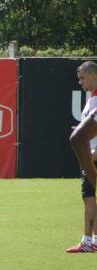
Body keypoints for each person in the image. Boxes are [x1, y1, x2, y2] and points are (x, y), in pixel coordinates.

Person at [67, 61, 97, 253]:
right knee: (89, 197)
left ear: (93, 76)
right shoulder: (91, 99)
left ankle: (88, 241)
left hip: (93, 157)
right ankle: (91, 240)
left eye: (82, 78)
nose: (80, 82)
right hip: (89, 155)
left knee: (88, 197)